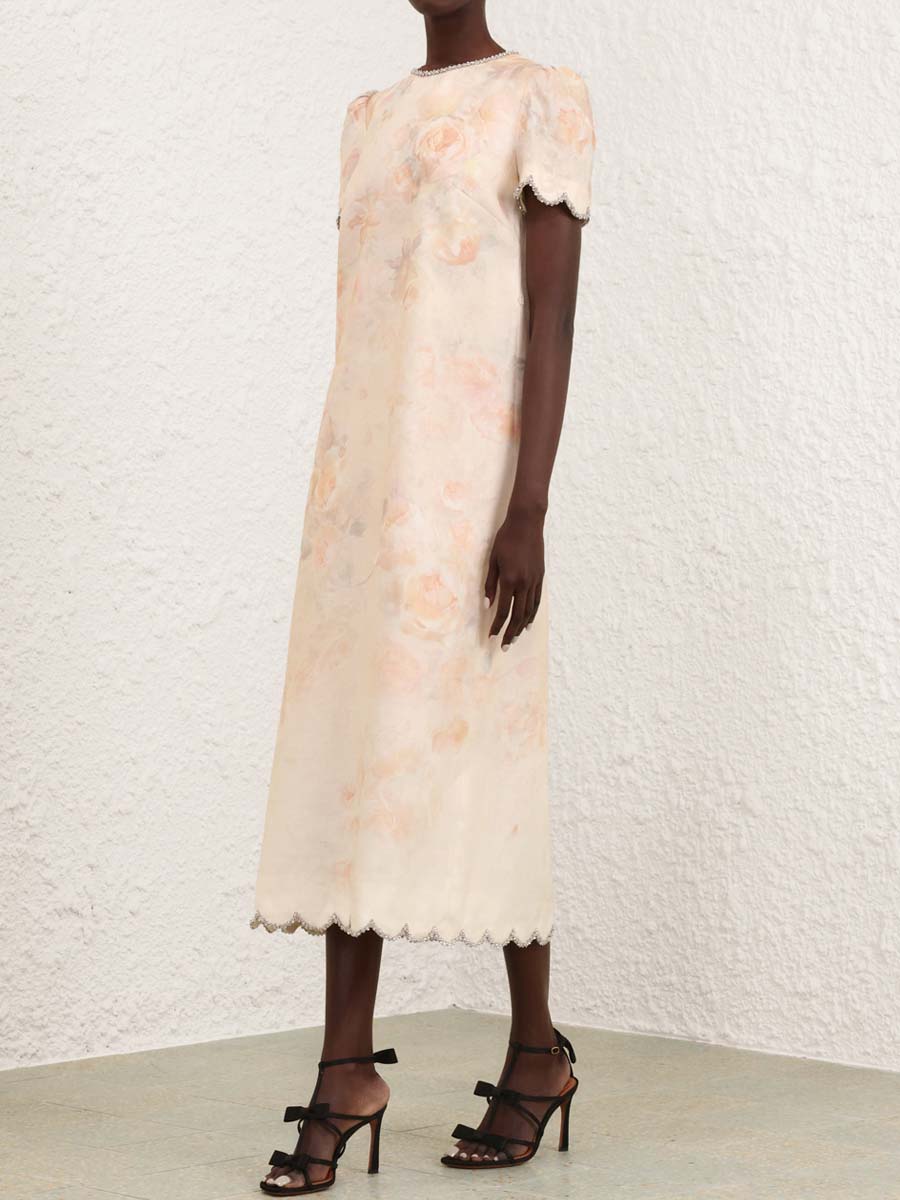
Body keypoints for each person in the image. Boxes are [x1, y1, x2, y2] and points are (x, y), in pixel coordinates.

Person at [252, 1, 595, 1193]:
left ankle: (537, 1049)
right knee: (355, 763)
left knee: (485, 755)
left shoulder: (539, 98)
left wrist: (528, 506)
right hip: (359, 504)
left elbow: (551, 318)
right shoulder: (367, 119)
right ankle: (346, 1067)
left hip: (471, 503)